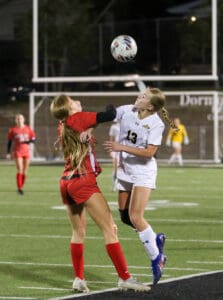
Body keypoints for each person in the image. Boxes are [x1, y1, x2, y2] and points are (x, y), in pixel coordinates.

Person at [50, 94, 151, 293]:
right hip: (84, 180)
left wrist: (90, 127)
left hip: (66, 182)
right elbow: (110, 113)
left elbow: (86, 125)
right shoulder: (79, 118)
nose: (77, 101)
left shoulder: (63, 125)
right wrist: (95, 121)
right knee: (110, 228)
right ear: (69, 108)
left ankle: (78, 278)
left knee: (78, 232)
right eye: (72, 100)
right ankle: (125, 278)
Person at [104, 87, 177, 285]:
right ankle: (156, 240)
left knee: (136, 216)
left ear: (151, 106)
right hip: (126, 170)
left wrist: (121, 147)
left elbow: (149, 152)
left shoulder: (156, 124)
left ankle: (157, 258)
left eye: (143, 96)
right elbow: (110, 114)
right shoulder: (129, 110)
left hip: (144, 171)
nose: (139, 96)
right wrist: (89, 122)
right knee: (126, 217)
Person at [6, 113, 36, 195]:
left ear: (24, 119)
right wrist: (8, 152)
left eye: (21, 118)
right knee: (20, 169)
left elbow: (33, 139)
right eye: (18, 119)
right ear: (16, 120)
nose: (19, 120)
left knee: (25, 171)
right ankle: (19, 188)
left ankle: (21, 186)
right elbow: (9, 141)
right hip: (17, 151)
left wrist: (27, 141)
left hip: (26, 151)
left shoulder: (28, 129)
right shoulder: (13, 130)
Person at [108, 119, 120, 191]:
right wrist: (110, 150)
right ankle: (115, 184)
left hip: (124, 149)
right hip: (116, 149)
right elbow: (111, 139)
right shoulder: (114, 127)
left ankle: (119, 183)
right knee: (115, 167)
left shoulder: (127, 126)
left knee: (122, 167)